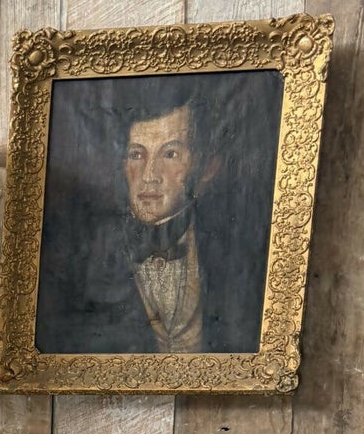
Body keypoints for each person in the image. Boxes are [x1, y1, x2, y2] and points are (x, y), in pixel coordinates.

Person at [35, 73, 278, 358]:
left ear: (206, 169)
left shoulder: (239, 254)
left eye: (170, 154)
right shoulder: (83, 255)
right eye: (136, 155)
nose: (149, 177)